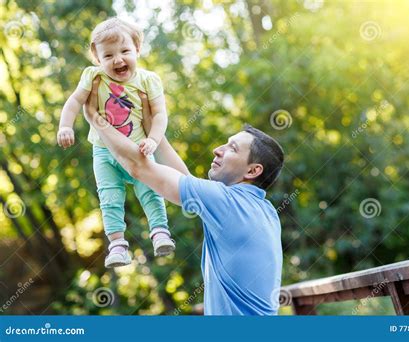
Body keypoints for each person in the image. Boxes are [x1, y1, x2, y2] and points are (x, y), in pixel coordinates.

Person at [84, 77, 285, 315]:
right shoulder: (263, 210)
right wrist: (153, 130)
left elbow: (138, 168)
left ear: (253, 170)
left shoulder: (227, 203)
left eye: (232, 148)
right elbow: (186, 181)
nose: (217, 149)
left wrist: (96, 119)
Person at [56, 17, 175, 268]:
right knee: (109, 196)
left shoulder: (147, 80)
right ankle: (118, 245)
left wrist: (153, 140)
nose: (118, 60)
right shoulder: (92, 76)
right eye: (108, 55)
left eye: (124, 51)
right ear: (97, 58)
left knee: (150, 190)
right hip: (103, 152)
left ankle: (160, 231)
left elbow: (160, 114)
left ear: (137, 49)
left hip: (139, 148)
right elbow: (75, 102)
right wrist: (65, 125)